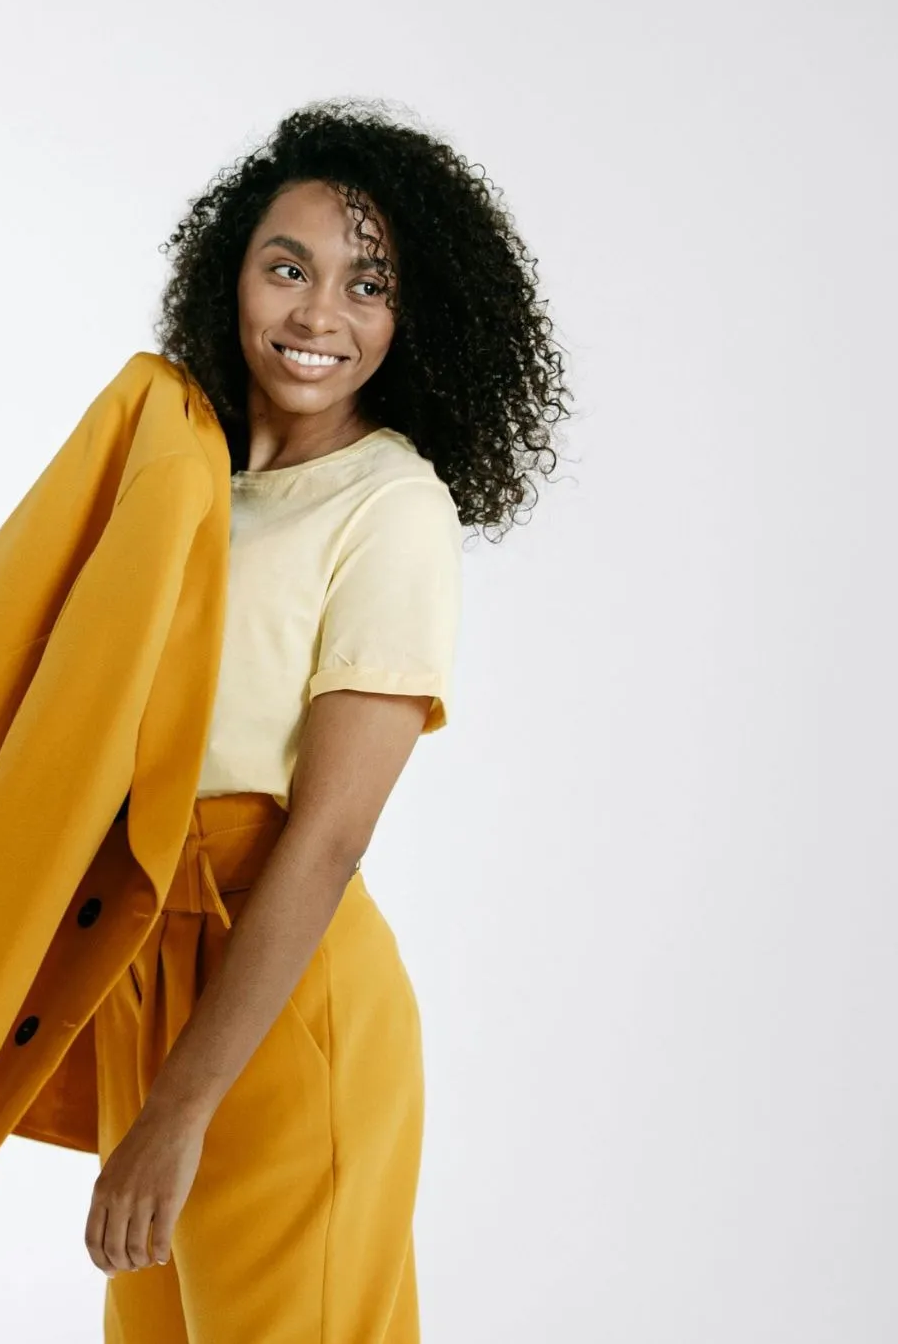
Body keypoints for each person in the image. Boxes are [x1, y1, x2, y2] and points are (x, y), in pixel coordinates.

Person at [84, 98, 568, 1341]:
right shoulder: (186, 485)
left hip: (281, 998)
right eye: (287, 268)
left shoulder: (388, 506)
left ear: (411, 317)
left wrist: (178, 1110)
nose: (316, 315)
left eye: (367, 285)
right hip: (146, 979)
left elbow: (330, 834)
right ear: (230, 274)